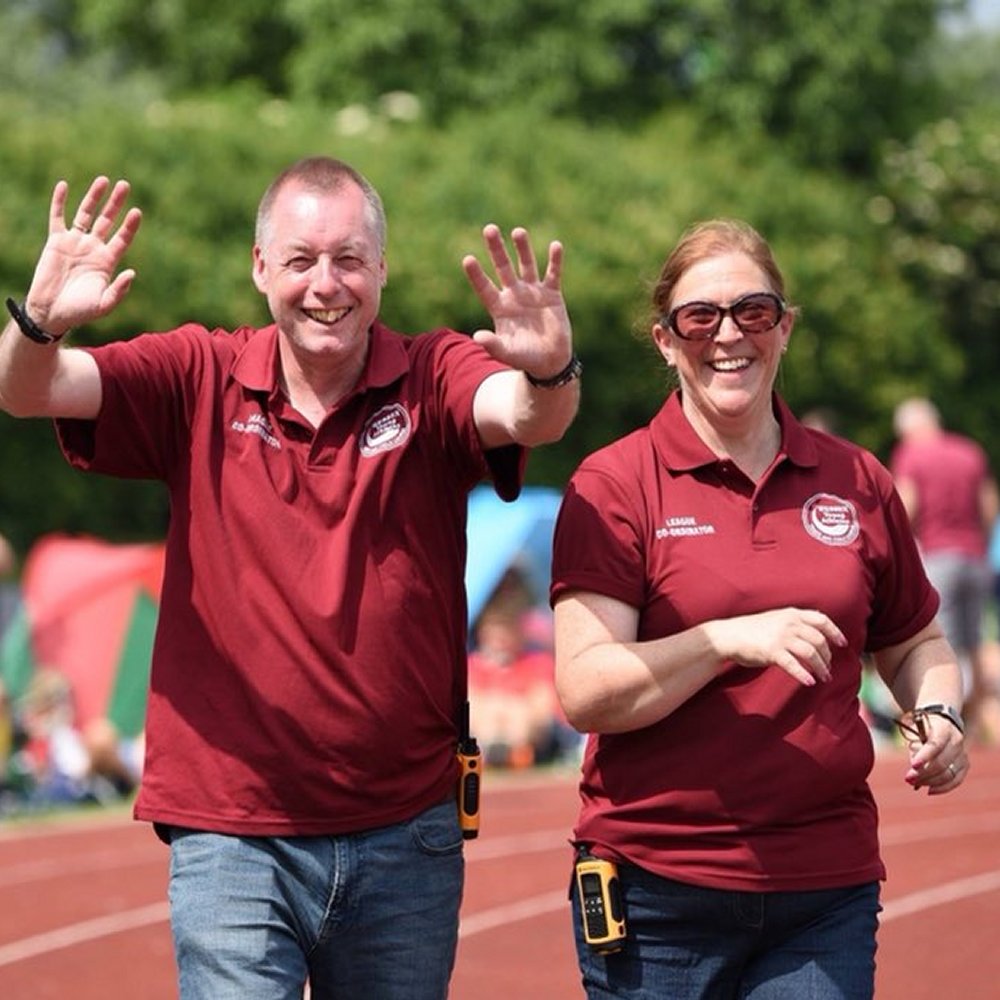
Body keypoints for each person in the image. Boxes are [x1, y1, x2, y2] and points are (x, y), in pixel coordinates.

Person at [0, 158, 580, 998]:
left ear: (382, 269)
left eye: (349, 259)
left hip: (404, 830)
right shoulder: (196, 375)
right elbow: (28, 392)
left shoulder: (431, 373)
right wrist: (39, 323)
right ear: (260, 267)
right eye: (301, 259)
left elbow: (526, 414)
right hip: (232, 833)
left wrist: (549, 370)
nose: (326, 285)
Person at [549, 219, 967, 1000]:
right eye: (699, 318)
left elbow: (918, 643)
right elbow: (585, 690)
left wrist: (940, 711)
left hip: (823, 887)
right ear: (666, 341)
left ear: (785, 327)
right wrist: (722, 640)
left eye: (754, 312)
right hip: (657, 891)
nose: (728, 335)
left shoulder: (858, 479)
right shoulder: (614, 483)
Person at [891, 397, 999, 740]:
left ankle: (939, 729)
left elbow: (905, 509)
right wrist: (977, 543)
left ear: (909, 429)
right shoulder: (970, 451)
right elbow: (989, 507)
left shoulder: (912, 455)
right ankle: (981, 723)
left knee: (937, 643)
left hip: (939, 556)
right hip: (974, 556)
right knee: (976, 642)